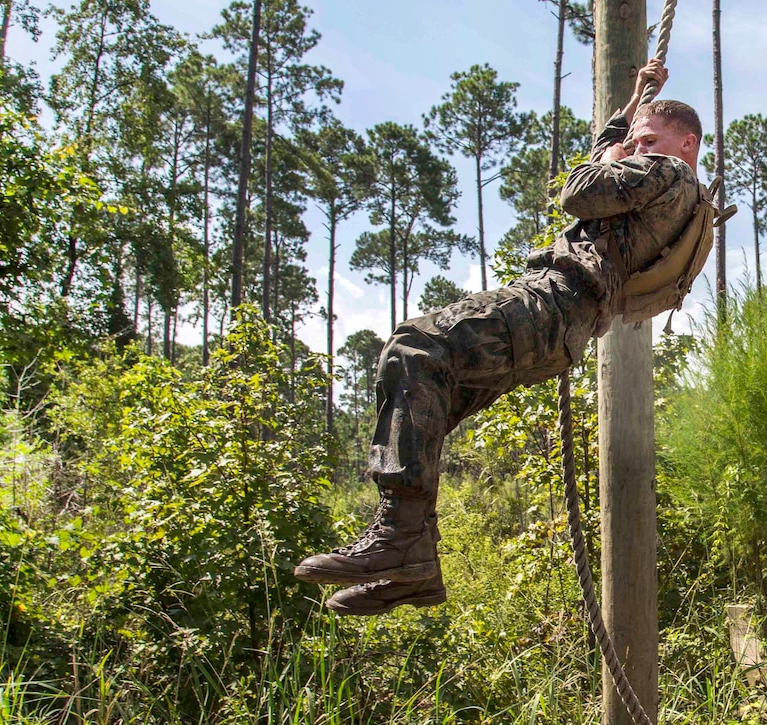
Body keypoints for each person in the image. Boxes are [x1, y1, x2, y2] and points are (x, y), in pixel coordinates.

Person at [294, 59, 709, 615]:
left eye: (650, 140)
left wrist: (619, 146)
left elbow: (580, 191)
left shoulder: (672, 173)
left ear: (687, 144)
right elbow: (605, 180)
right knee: (428, 401)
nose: (638, 148)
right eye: (636, 142)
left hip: (557, 302)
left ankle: (398, 541)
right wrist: (632, 105)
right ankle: (413, 565)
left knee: (415, 345)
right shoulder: (668, 190)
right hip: (563, 321)